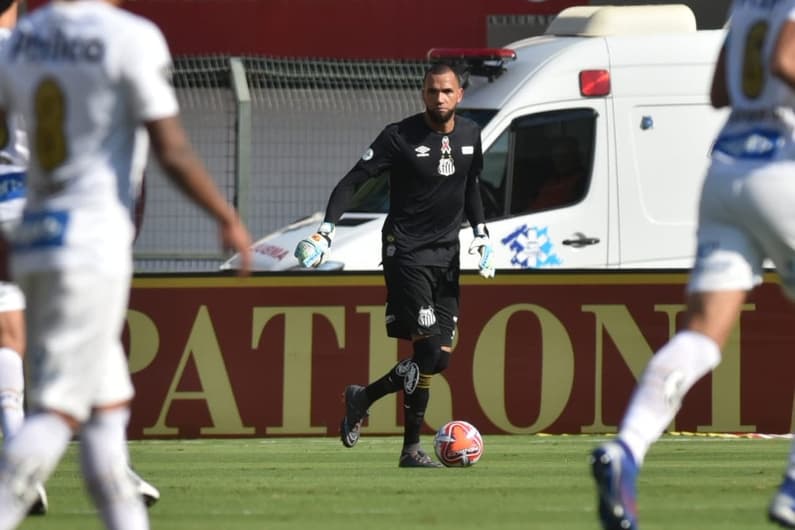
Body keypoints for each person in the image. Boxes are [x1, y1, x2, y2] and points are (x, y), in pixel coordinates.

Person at [0, 0, 252, 528]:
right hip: (89, 242)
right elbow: (171, 146)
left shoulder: (25, 40)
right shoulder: (129, 36)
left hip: (32, 232)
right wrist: (224, 214)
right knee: (60, 412)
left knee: (105, 418)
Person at [590, 2, 795, 529]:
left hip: (726, 171)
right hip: (782, 166)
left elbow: (719, 91)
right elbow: (783, 60)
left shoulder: (749, 4)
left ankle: (627, 449)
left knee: (703, 334)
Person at [294, 62, 495, 467]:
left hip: (447, 258)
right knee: (424, 350)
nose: (438, 98)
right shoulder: (398, 136)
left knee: (438, 359)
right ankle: (411, 450)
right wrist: (326, 230)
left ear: (459, 95)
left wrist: (481, 234)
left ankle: (363, 397)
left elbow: (471, 185)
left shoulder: (472, 135)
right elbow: (352, 182)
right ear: (423, 94)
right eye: (431, 91)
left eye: (446, 91)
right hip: (405, 253)